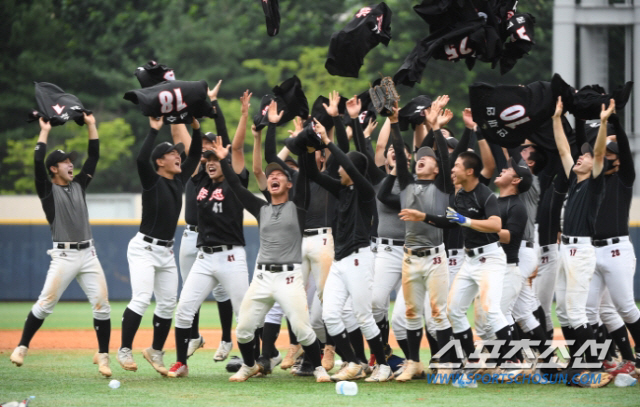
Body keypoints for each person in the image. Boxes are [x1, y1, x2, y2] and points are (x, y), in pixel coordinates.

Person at [210, 108, 331, 384]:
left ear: (290, 183)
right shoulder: (261, 208)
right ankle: (250, 365)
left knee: (303, 329)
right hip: (262, 277)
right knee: (243, 329)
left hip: (289, 278)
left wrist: (295, 136)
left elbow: (280, 162)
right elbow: (237, 186)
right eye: (270, 175)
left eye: (280, 174)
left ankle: (319, 368)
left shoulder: (297, 207)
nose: (273, 176)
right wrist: (224, 161)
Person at [10, 114, 112, 377]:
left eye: (70, 161)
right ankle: (22, 346)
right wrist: (44, 131)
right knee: (45, 304)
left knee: (102, 304)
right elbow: (36, 161)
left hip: (88, 254)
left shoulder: (79, 184)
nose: (71, 164)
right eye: (66, 161)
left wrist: (91, 125)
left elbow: (94, 157)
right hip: (64, 255)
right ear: (54, 168)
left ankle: (103, 355)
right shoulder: (48, 191)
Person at [166, 91, 252, 378]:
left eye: (215, 156)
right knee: (184, 310)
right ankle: (181, 363)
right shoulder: (200, 177)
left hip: (231, 256)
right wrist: (190, 122)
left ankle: (252, 364)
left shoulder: (234, 180)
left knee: (245, 316)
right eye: (207, 157)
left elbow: (233, 148)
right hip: (204, 256)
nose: (211, 159)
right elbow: (190, 148)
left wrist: (229, 113)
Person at [306, 97, 392, 383]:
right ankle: (354, 362)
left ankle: (383, 365)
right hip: (341, 260)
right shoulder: (342, 190)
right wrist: (310, 144)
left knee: (363, 315)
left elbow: (351, 166)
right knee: (331, 315)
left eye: (342, 167)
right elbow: (311, 174)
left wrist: (330, 142)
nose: (338, 170)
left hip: (359, 257)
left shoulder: (367, 191)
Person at [117, 116, 201, 376]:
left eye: (177, 153)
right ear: (159, 161)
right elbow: (141, 160)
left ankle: (155, 350)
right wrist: (154, 130)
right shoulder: (151, 180)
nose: (178, 156)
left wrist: (196, 126)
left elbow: (195, 153)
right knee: (142, 298)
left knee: (167, 304)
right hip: (143, 248)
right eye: (171, 153)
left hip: (166, 251)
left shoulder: (178, 180)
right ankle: (124, 349)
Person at [384, 99, 455, 382]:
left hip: (436, 258)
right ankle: (414, 362)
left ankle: (446, 364)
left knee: (438, 314)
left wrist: (436, 129)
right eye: (419, 156)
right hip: (410, 257)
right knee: (412, 313)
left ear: (437, 168)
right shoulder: (408, 186)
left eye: (428, 157)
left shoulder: (442, 186)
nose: (420, 158)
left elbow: (447, 162)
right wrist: (392, 122)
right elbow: (402, 161)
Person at [552, 96, 612, 382]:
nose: (581, 156)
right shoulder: (575, 180)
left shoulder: (594, 183)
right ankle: (578, 363)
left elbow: (599, 155)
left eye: (585, 156)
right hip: (566, 250)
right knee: (563, 312)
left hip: (581, 251)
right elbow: (564, 148)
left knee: (576, 312)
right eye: (582, 154)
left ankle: (596, 367)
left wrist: (602, 124)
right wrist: (555, 119)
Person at [176, 81, 235, 361]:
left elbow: (225, 139)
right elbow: (183, 131)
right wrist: (188, 109)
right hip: (190, 236)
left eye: (213, 146)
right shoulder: (192, 169)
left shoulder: (220, 173)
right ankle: (194, 336)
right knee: (190, 290)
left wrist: (215, 106)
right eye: (205, 145)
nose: (209, 149)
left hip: (216, 238)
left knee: (222, 291)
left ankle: (226, 339)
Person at [585, 113, 640, 376]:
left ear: (617, 158)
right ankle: (607, 358)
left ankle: (637, 356)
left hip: (617, 250)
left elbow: (627, 156)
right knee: (588, 309)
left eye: (607, 153)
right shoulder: (594, 181)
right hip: (593, 250)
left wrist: (616, 121)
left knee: (625, 307)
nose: (602, 156)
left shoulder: (624, 177)